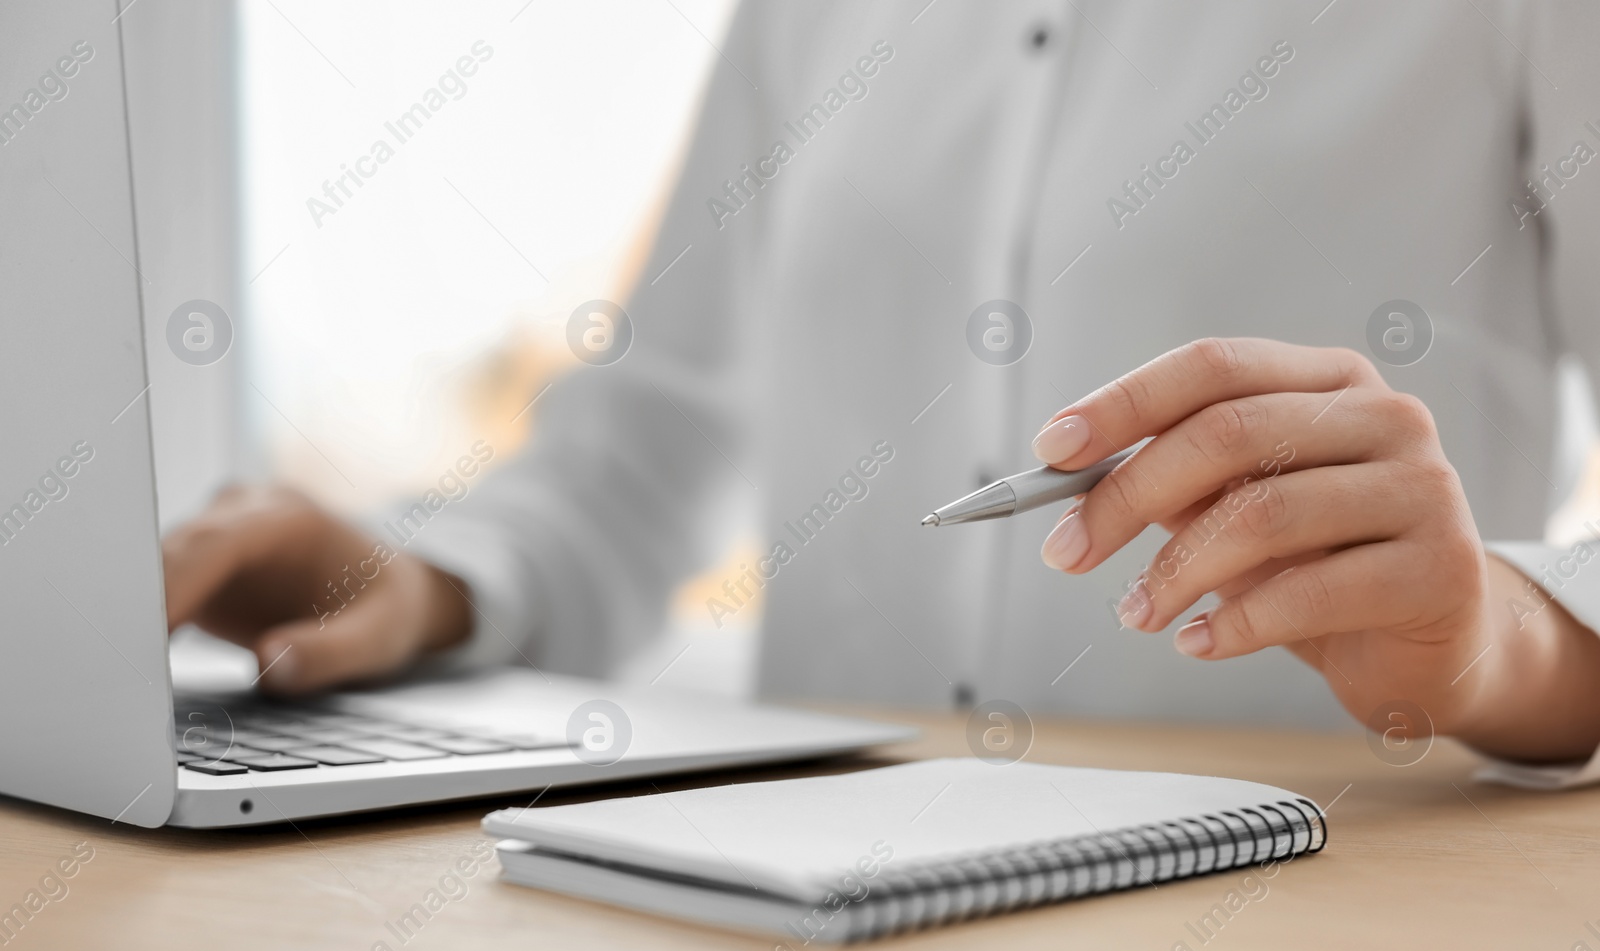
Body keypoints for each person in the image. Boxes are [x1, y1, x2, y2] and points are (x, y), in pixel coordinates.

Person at [165, 2, 1600, 782]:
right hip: (822, 920)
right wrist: (414, 581)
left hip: (1318, 946)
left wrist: (1495, 649)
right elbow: (634, 457)